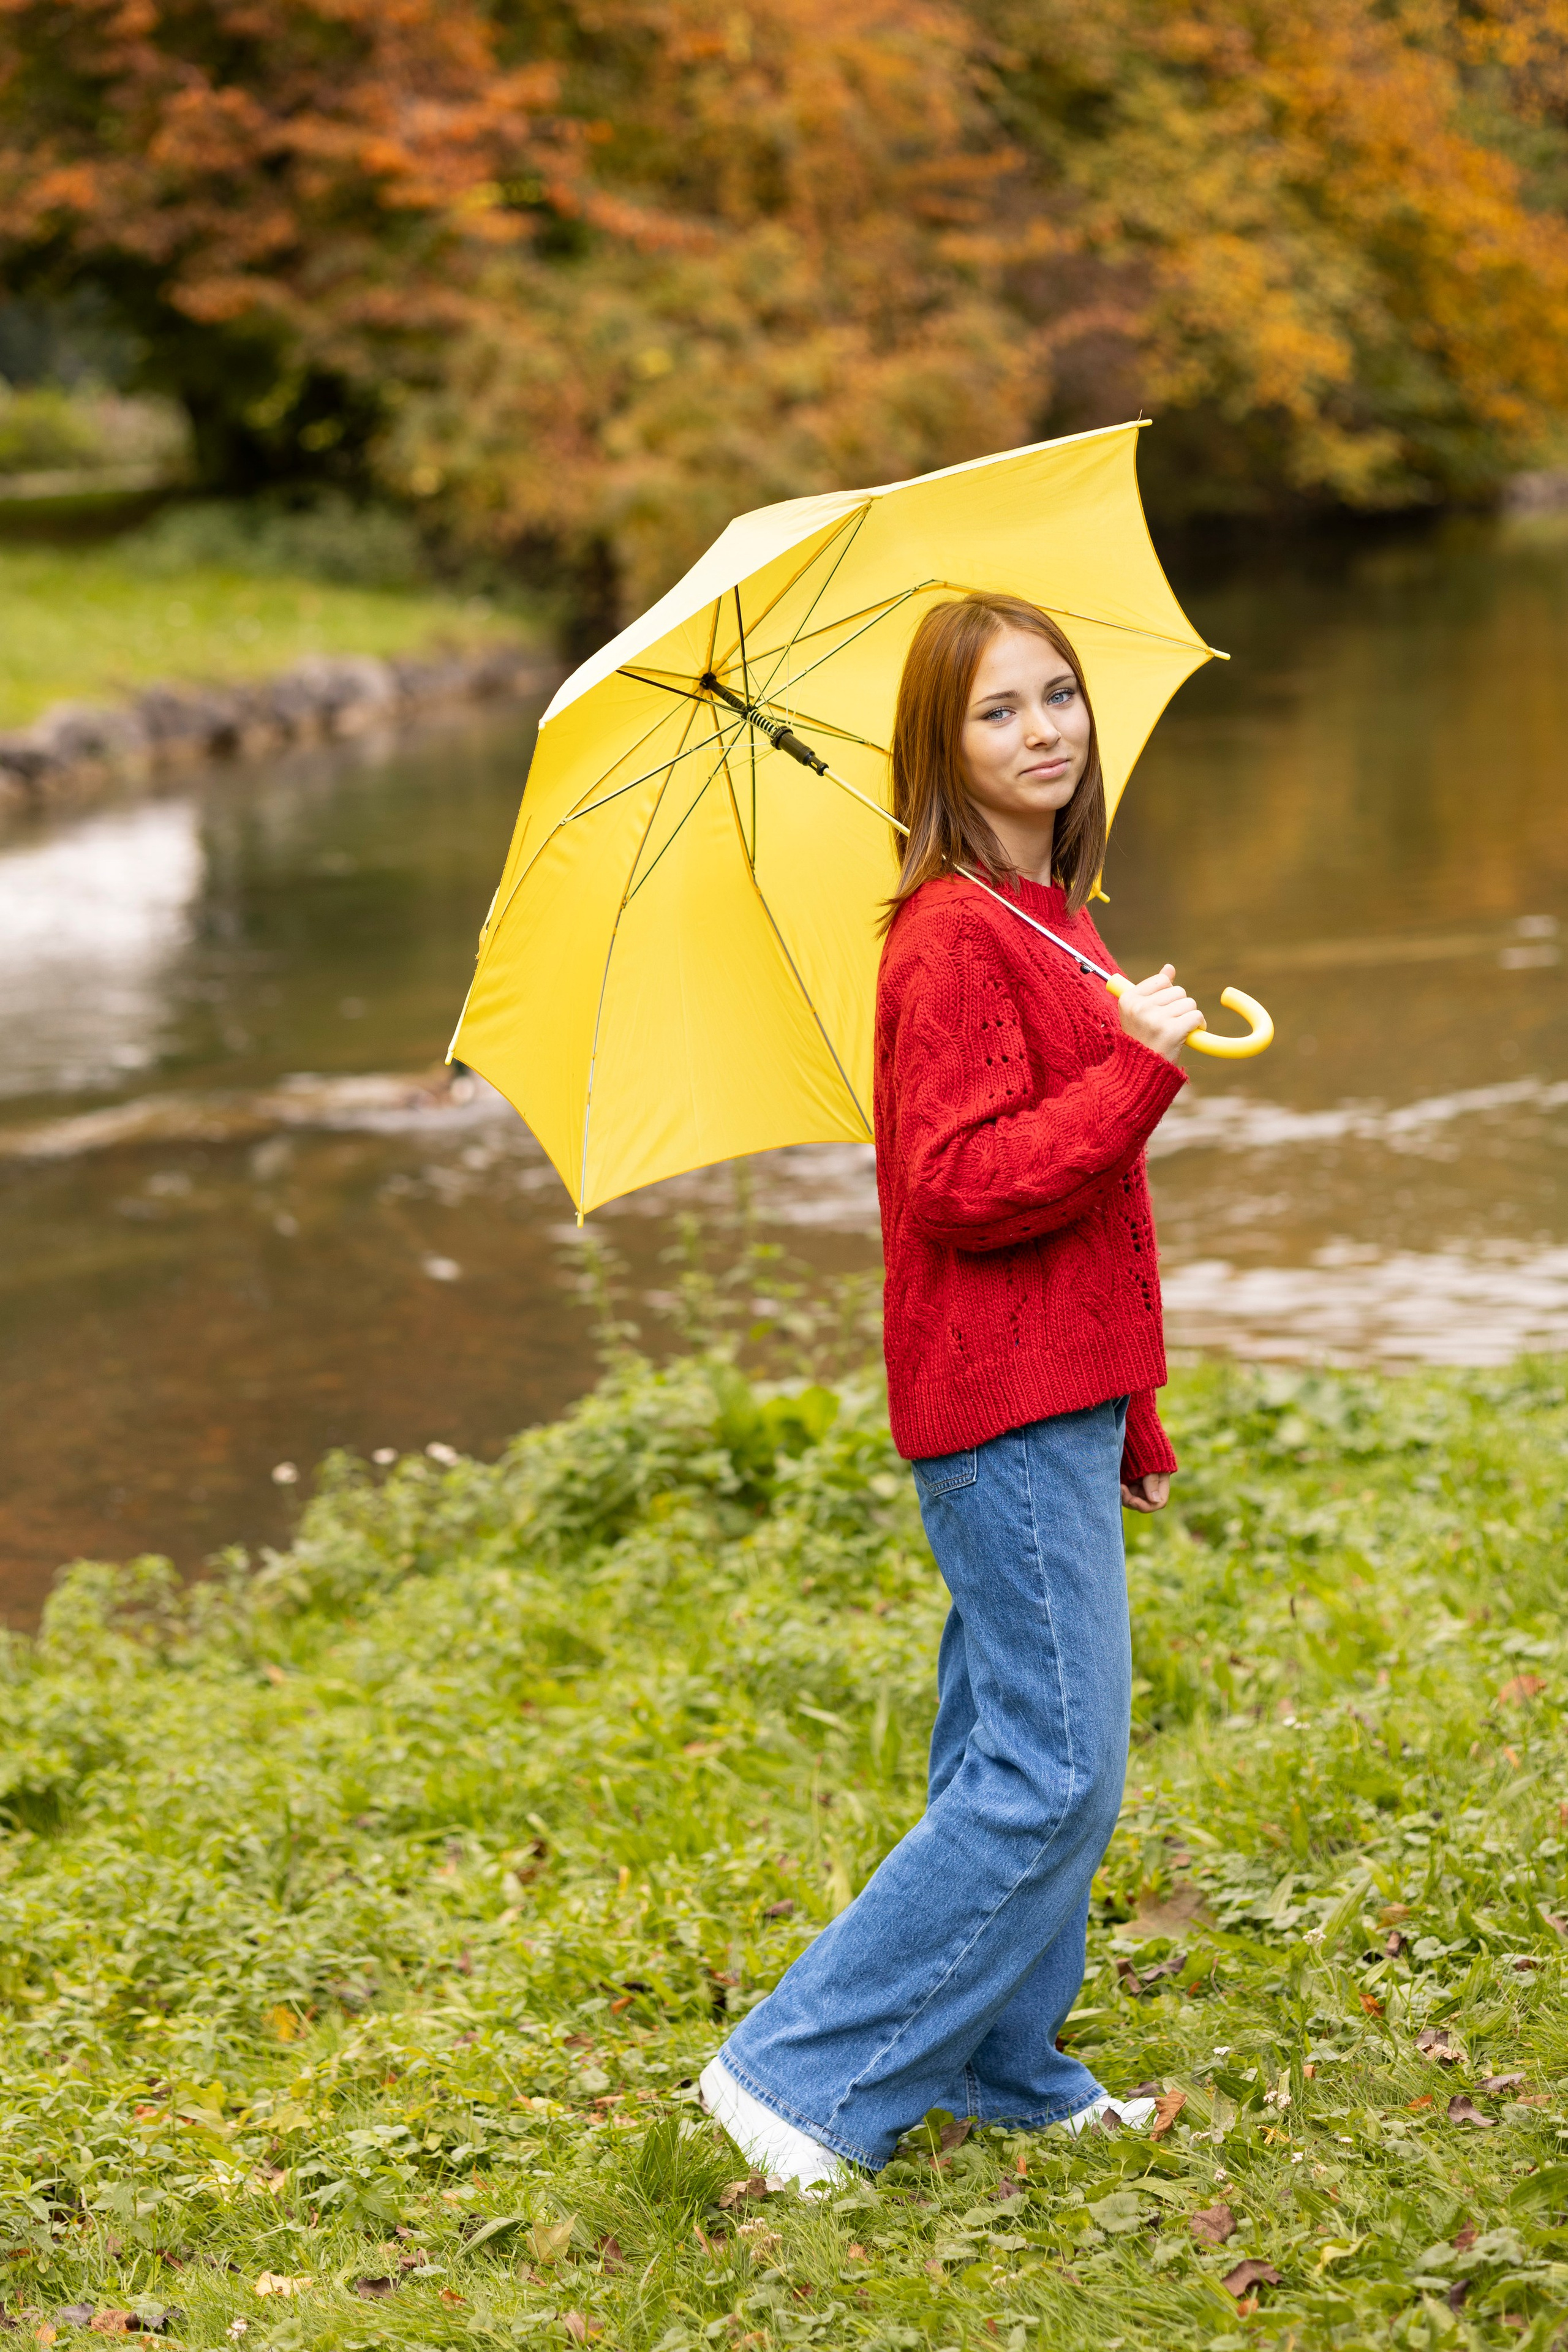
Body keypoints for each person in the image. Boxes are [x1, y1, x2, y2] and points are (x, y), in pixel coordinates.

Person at [699, 590, 1204, 2185]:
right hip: (997, 1410)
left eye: (1058, 696)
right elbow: (960, 1190)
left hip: (1059, 1401)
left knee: (1013, 1740)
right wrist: (1138, 1074)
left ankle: (998, 2071)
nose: (1045, 729)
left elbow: (1094, 1217)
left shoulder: (1053, 913)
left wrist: (1131, 1402)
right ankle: (795, 2075)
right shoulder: (948, 941)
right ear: (939, 744)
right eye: (998, 711)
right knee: (1054, 1774)